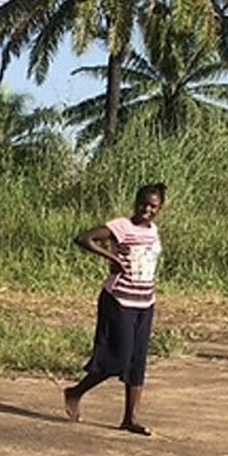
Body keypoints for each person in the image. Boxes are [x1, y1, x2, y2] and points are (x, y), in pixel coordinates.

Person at [63, 183, 166, 435]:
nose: (147, 209)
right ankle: (75, 392)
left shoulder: (153, 231)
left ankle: (130, 419)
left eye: (153, 206)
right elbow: (84, 239)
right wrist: (113, 258)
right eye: (143, 204)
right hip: (119, 301)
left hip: (145, 303)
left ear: (160, 208)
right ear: (135, 203)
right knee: (118, 358)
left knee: (138, 361)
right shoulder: (122, 226)